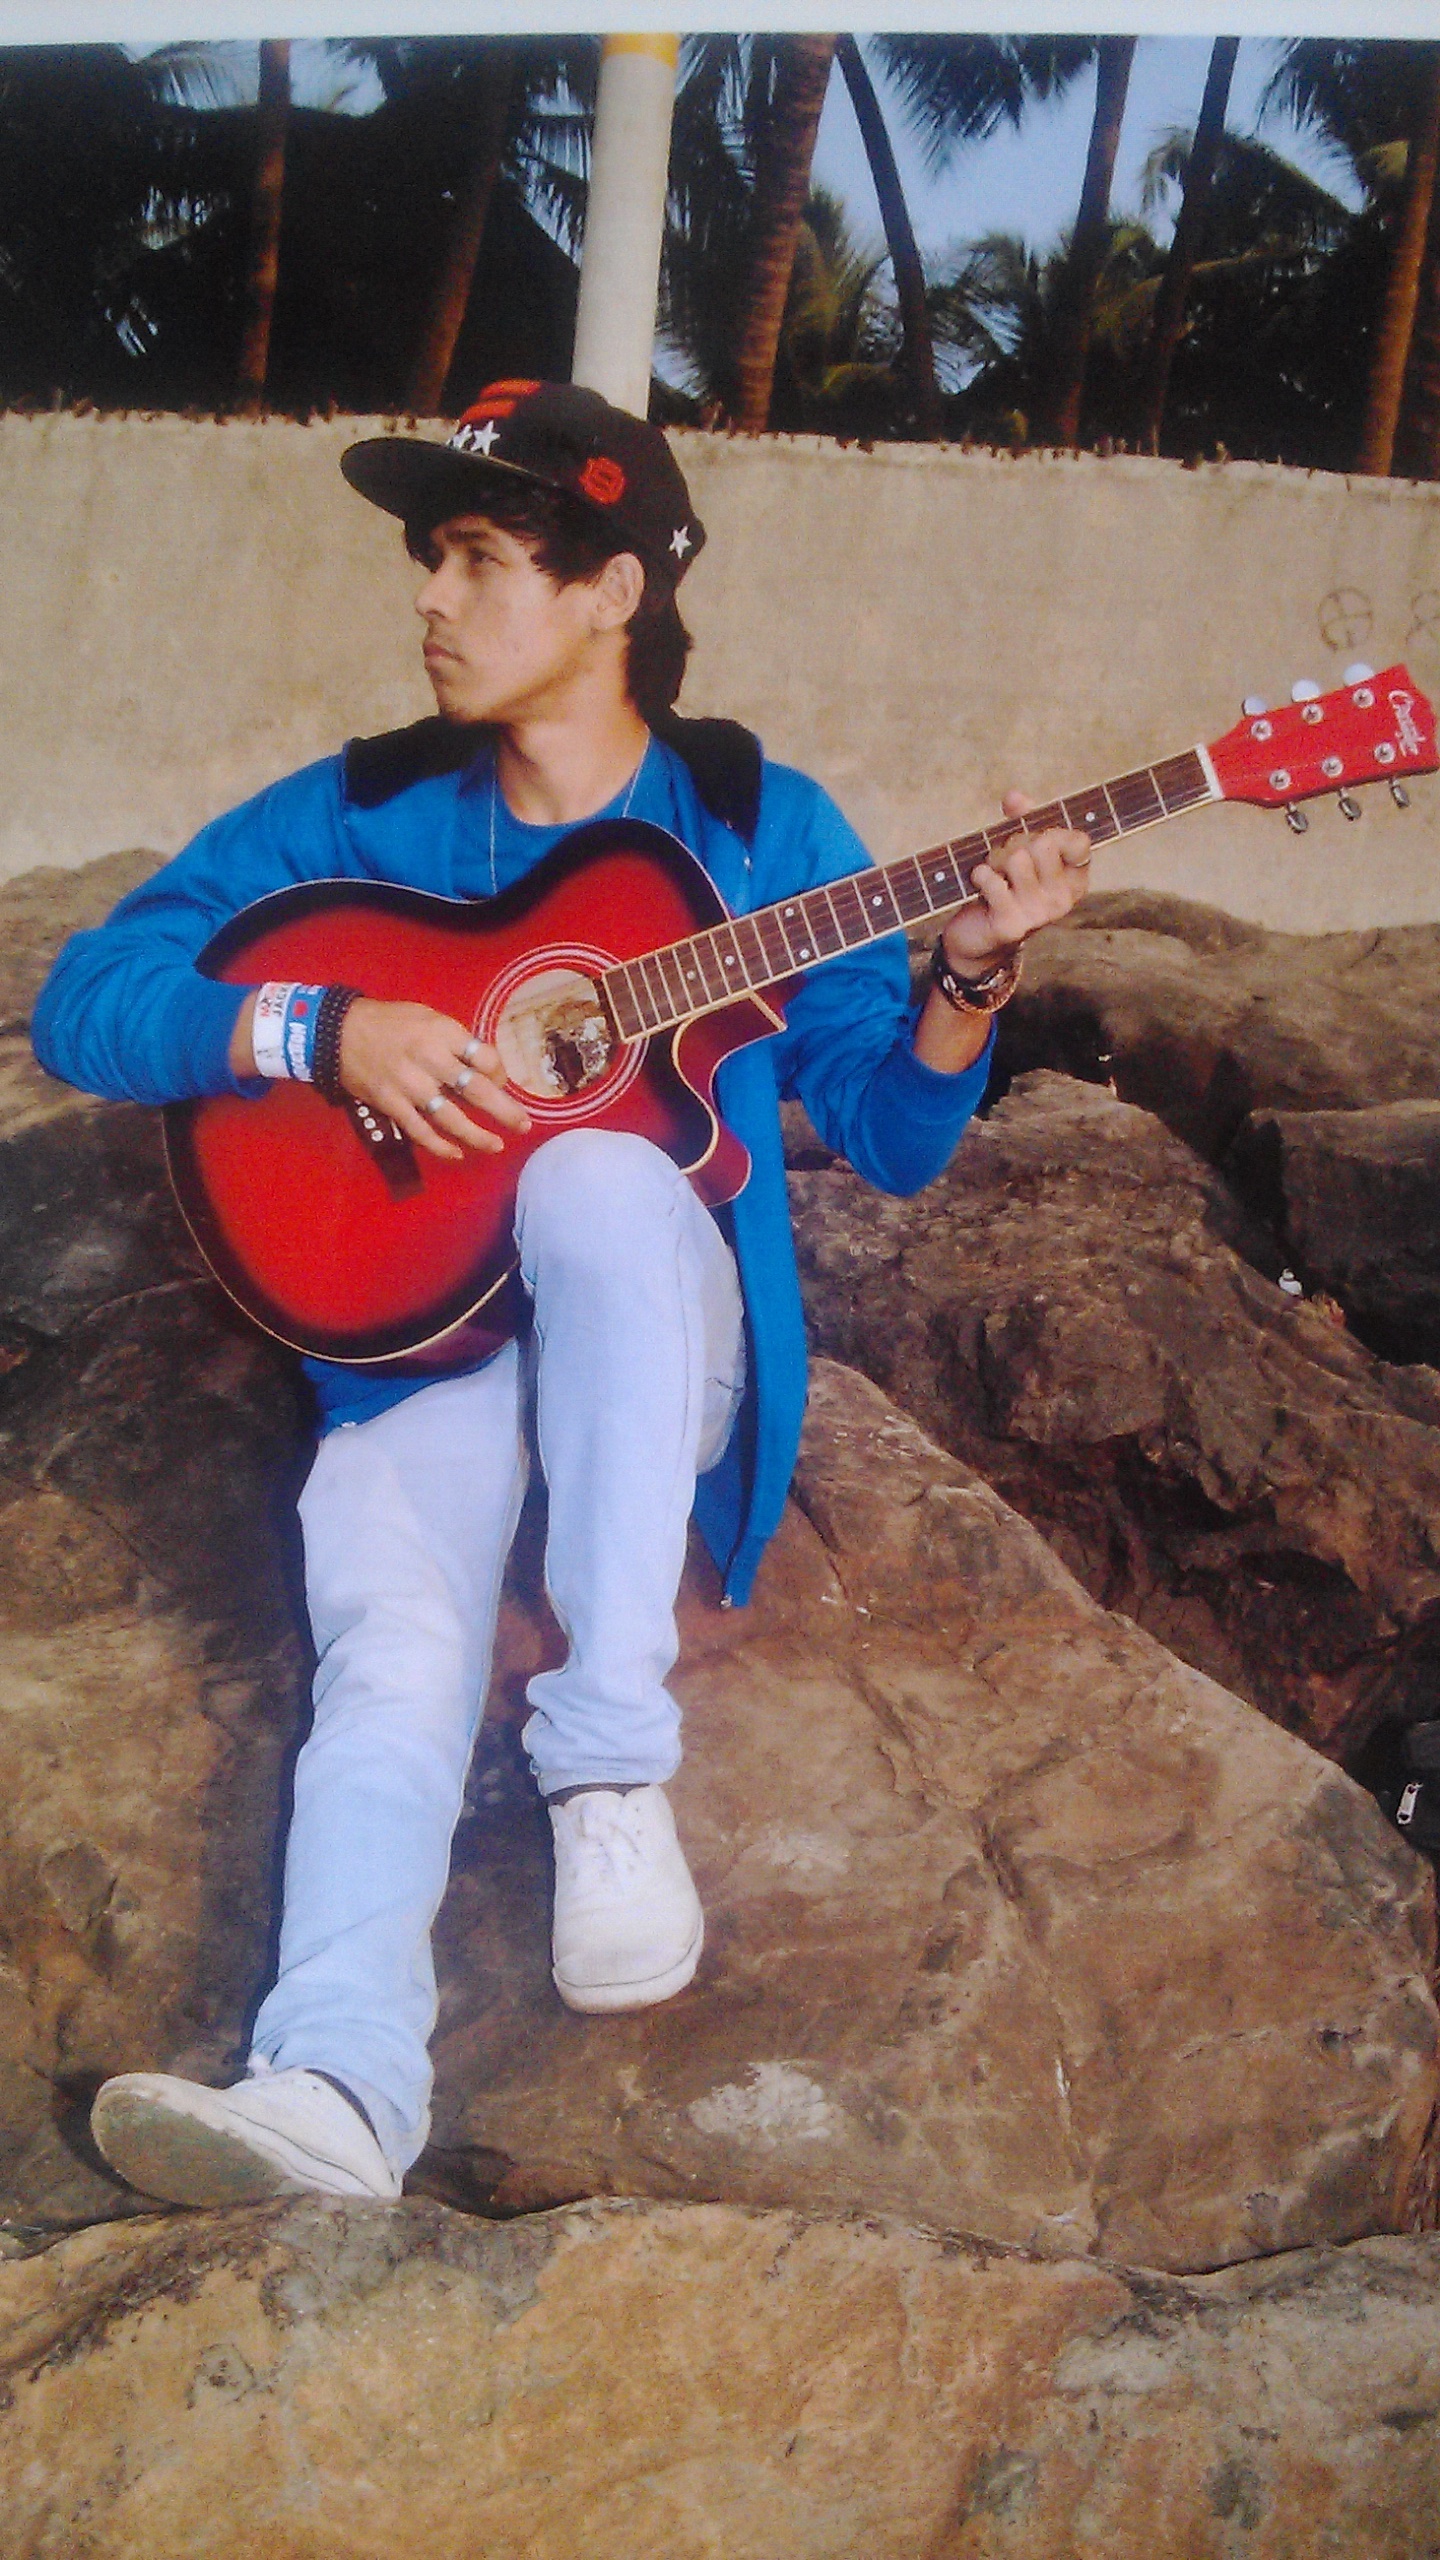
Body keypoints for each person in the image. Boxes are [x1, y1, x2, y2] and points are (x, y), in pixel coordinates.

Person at [32, 380, 1092, 2209]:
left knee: (596, 1175)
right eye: (427, 557)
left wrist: (972, 977)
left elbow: (890, 1133)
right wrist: (323, 1027)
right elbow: (86, 1002)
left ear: (613, 591)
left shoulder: (758, 827)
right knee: (391, 1647)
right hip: (416, 1333)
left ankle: (607, 1765)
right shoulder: (363, 809)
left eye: (477, 558)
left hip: (659, 1333)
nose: (429, 599)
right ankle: (335, 2085)